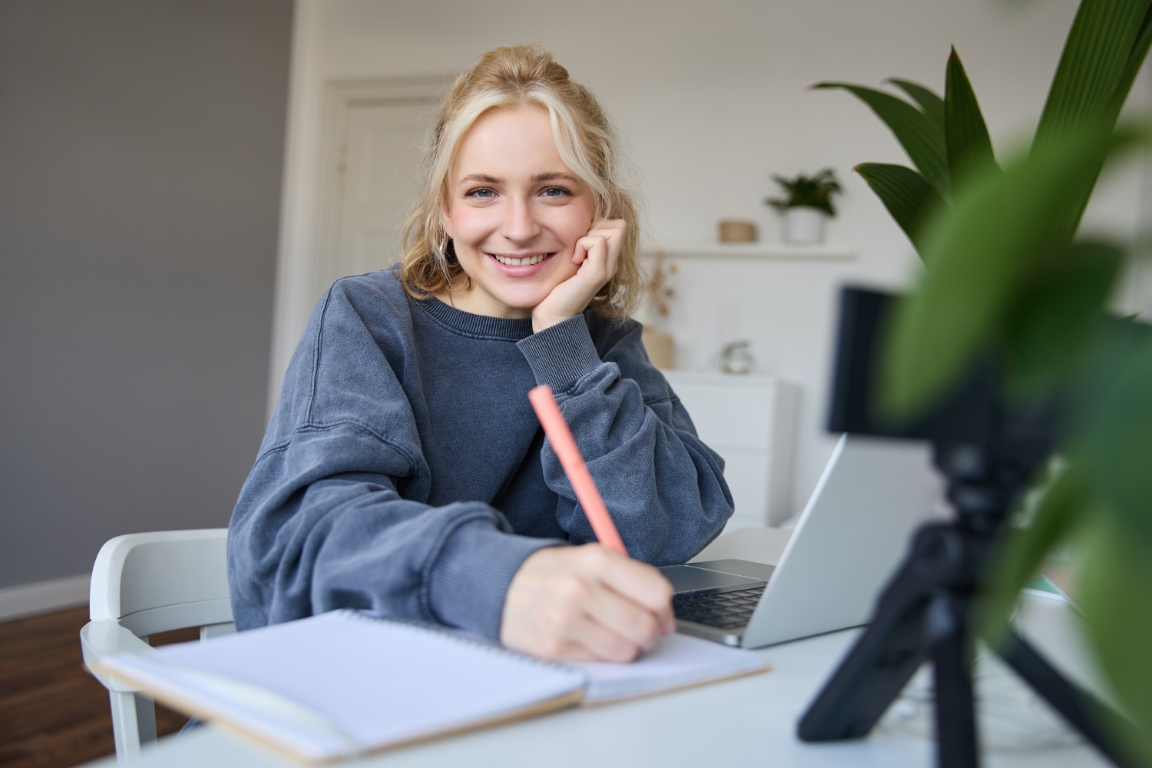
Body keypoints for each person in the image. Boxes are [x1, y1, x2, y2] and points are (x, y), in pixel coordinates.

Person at [227, 45, 733, 663]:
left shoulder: (599, 343)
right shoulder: (369, 317)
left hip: (538, 689)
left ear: (598, 210)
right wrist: (498, 577)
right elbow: (303, 534)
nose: (518, 227)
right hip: (366, 679)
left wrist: (561, 343)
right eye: (483, 192)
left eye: (552, 189)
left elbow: (665, 534)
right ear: (444, 209)